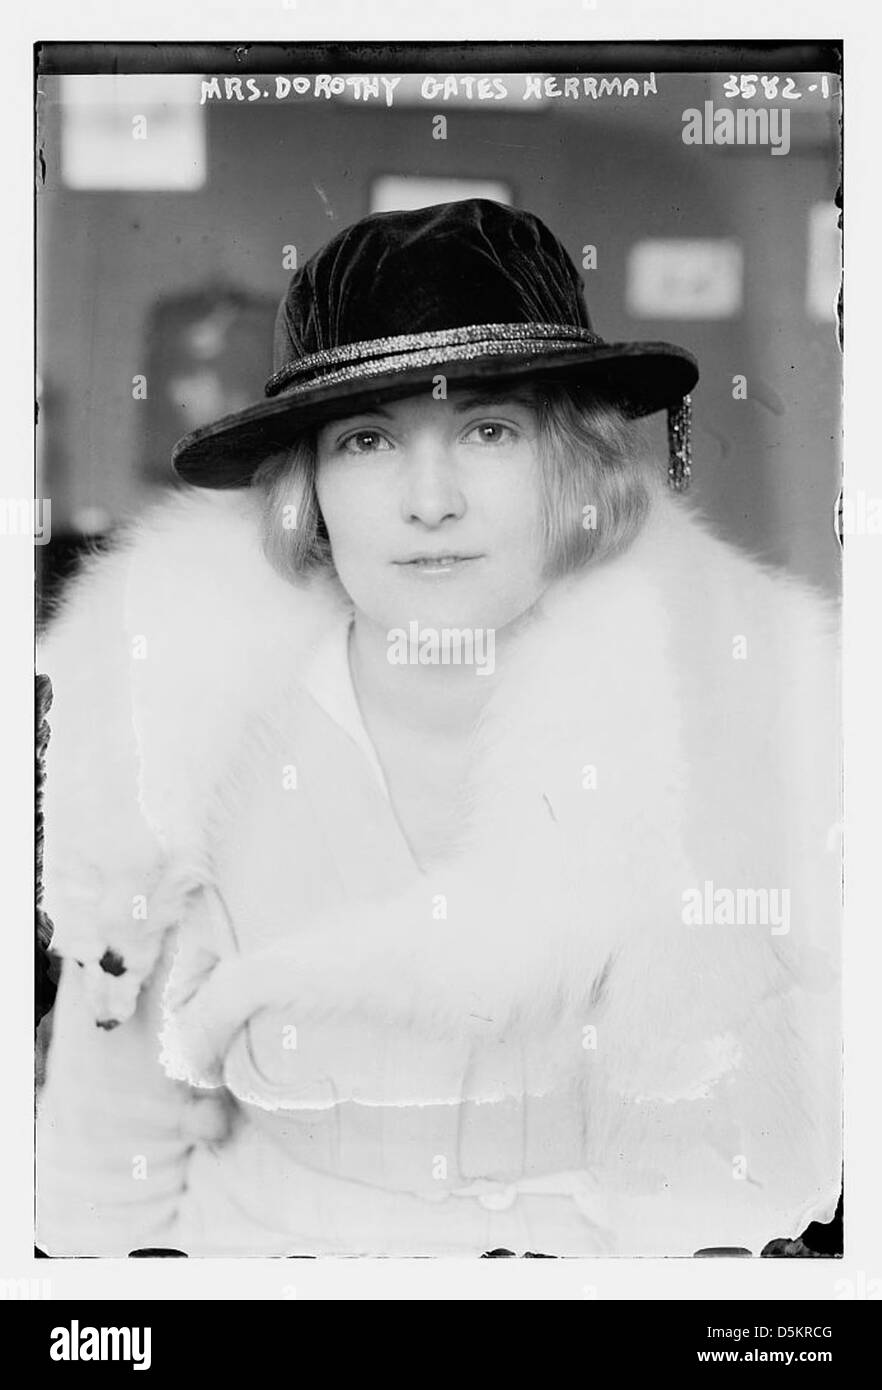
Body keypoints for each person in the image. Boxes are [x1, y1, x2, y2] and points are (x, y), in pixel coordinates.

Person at [35, 198, 841, 1259]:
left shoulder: (724, 725)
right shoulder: (192, 744)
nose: (430, 499)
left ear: (576, 464)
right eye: (367, 439)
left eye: (490, 431)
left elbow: (764, 1201)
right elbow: (102, 1187)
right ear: (307, 491)